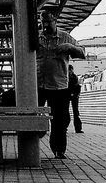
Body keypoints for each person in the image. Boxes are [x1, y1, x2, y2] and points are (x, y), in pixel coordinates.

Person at [37, 9, 86, 159]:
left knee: (60, 120)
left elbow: (82, 52)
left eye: (48, 22)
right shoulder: (36, 37)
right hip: (37, 85)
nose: (45, 25)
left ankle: (59, 150)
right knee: (33, 115)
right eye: (43, 22)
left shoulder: (65, 37)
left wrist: (70, 48)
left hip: (59, 85)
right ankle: (32, 146)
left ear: (55, 20)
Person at [68, 65, 83, 134]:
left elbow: (77, 86)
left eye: (70, 70)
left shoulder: (74, 77)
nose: (70, 71)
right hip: (68, 95)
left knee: (76, 112)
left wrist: (75, 94)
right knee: (66, 112)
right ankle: (65, 128)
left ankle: (78, 128)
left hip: (73, 96)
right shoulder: (73, 77)